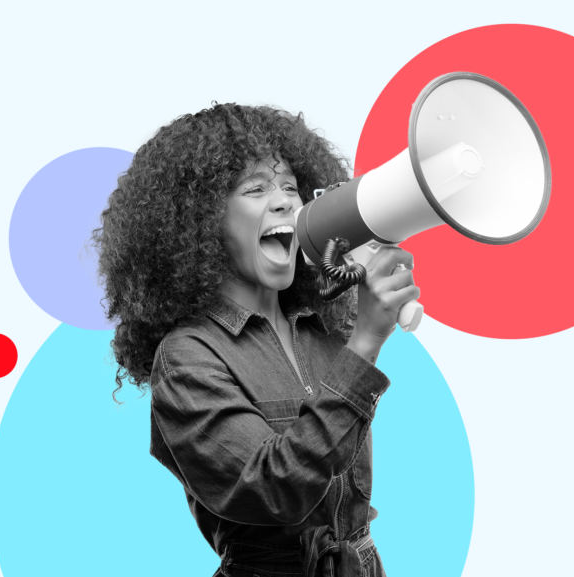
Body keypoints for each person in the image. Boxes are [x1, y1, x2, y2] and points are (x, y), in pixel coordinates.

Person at [91, 103, 419, 577]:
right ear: (203, 221)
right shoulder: (188, 358)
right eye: (257, 188)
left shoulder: (322, 333)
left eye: (291, 187)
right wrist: (367, 340)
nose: (287, 201)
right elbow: (274, 488)